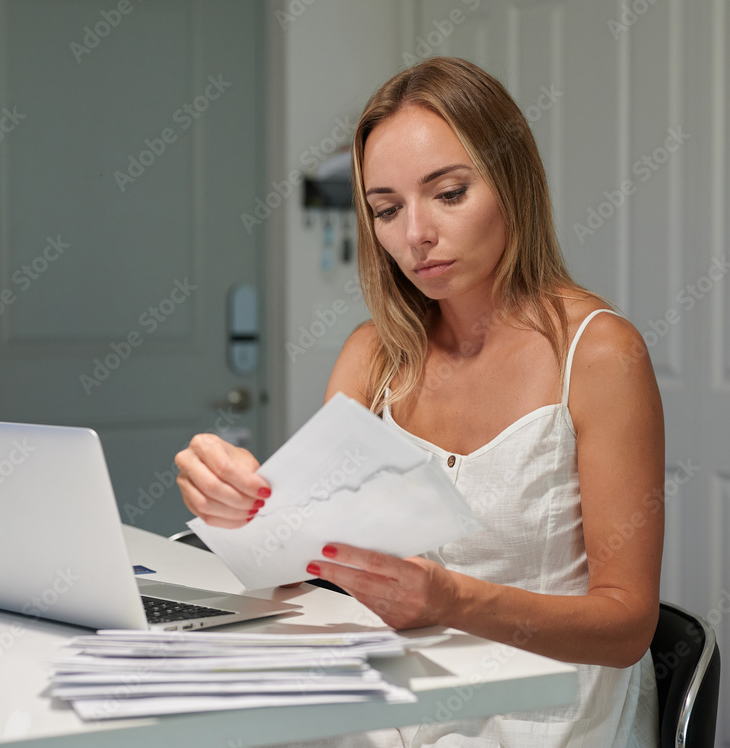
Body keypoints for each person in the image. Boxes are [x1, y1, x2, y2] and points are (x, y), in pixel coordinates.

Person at [174, 57, 663, 747]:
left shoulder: (601, 354)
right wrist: (244, 511)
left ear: (513, 184)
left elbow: (628, 626)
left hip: (551, 717)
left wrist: (451, 600)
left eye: (449, 193)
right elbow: (310, 574)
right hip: (398, 707)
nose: (415, 236)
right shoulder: (371, 357)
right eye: (386, 209)